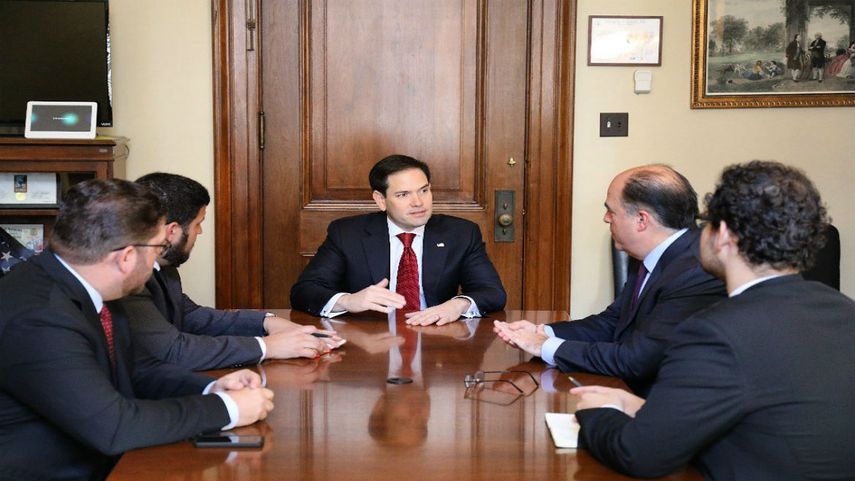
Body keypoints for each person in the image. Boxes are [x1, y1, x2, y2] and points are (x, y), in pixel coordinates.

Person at [572, 161, 855, 480]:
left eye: (703, 224)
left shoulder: (713, 332)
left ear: (721, 235)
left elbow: (639, 454)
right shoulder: (845, 311)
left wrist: (594, 413)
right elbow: (769, 422)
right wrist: (640, 407)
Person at [0, 179, 274, 481]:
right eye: (160, 246)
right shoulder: (40, 318)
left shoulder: (94, 284)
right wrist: (226, 409)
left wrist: (210, 388)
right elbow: (114, 426)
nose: (161, 257)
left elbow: (135, 369)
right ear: (127, 257)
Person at [493, 165, 725, 395]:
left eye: (611, 211)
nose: (606, 218)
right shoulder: (650, 253)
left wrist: (543, 346)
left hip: (664, 403)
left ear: (641, 220)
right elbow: (615, 322)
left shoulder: (696, 271)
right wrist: (543, 331)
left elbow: (635, 360)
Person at [120, 172, 342, 371]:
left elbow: (190, 316)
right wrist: (266, 347)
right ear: (173, 231)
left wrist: (267, 322)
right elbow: (176, 351)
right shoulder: (129, 278)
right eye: (198, 224)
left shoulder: (165, 266)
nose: (201, 232)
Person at [290, 154, 506, 326]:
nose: (418, 202)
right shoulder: (347, 234)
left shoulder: (460, 233)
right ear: (381, 200)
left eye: (424, 190)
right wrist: (349, 300)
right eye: (403, 195)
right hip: (369, 342)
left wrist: (457, 305)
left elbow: (492, 292)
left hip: (436, 339)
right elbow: (304, 291)